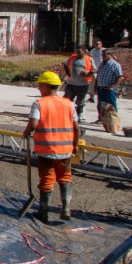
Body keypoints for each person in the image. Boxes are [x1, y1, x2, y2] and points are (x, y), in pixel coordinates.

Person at [22, 71, 80, 222]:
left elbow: (33, 123)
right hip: (65, 150)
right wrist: (76, 144)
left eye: (40, 86)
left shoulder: (39, 103)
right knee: (65, 177)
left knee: (47, 179)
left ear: (47, 86)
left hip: (46, 150)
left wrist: (26, 132)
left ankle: (44, 211)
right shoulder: (68, 103)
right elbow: (77, 128)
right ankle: (66, 207)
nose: (39, 89)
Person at [62, 45, 94, 123]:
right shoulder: (73, 57)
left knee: (80, 102)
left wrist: (87, 74)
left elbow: (95, 70)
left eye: (79, 51)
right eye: (77, 51)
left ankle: (79, 116)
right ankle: (65, 115)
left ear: (84, 51)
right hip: (72, 83)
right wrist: (67, 72)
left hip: (83, 84)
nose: (77, 53)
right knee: (66, 100)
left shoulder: (89, 59)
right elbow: (65, 64)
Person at [88, 40, 105, 104]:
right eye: (95, 44)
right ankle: (91, 97)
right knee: (93, 84)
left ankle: (101, 97)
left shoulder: (104, 51)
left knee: (101, 83)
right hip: (94, 70)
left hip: (102, 70)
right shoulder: (92, 51)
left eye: (97, 44)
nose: (96, 45)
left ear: (101, 44)